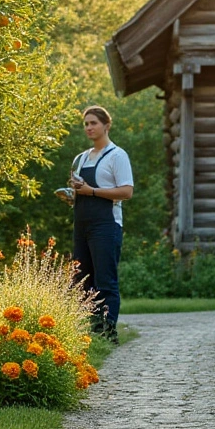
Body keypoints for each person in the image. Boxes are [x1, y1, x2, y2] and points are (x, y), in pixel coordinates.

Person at [69, 106, 133, 343]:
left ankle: (108, 332)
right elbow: (79, 191)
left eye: (93, 123)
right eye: (86, 124)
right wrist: (72, 194)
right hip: (82, 225)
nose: (89, 127)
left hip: (106, 225)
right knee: (82, 280)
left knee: (105, 280)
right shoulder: (80, 158)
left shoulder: (117, 155)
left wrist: (91, 191)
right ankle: (92, 332)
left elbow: (127, 191)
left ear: (106, 125)